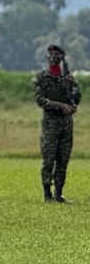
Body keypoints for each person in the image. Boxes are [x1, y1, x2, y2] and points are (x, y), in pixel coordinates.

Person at [34, 43, 80, 202]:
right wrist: (61, 106)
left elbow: (77, 97)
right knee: (48, 159)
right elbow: (40, 100)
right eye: (51, 54)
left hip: (66, 124)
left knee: (63, 159)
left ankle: (58, 193)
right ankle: (47, 194)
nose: (54, 58)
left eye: (57, 55)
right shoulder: (41, 77)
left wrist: (73, 97)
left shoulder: (67, 77)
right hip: (50, 124)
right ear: (48, 57)